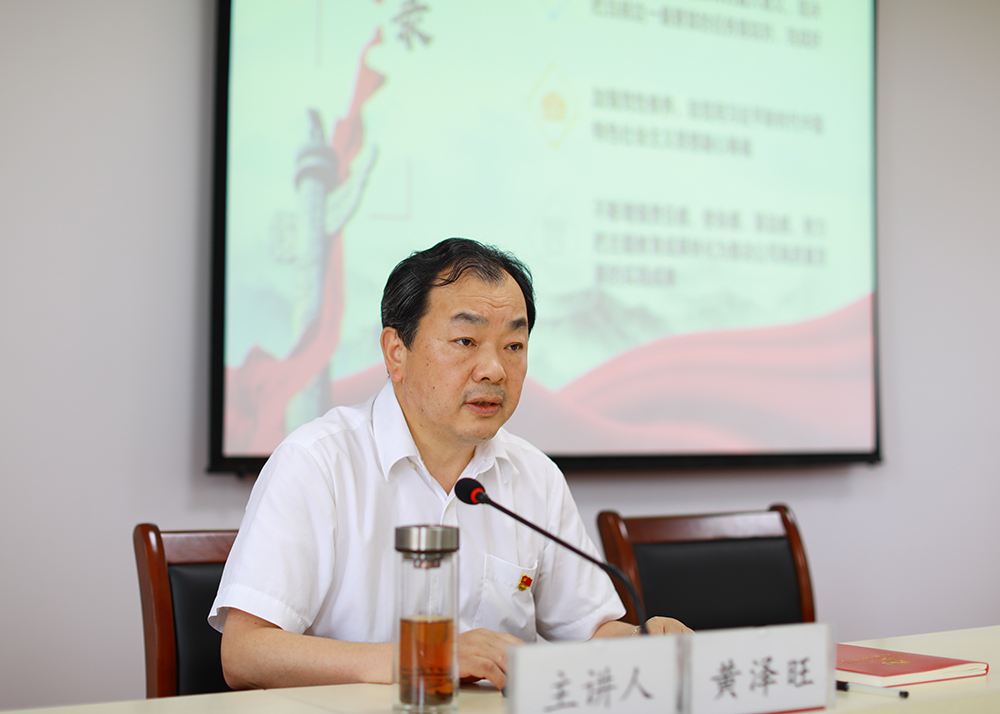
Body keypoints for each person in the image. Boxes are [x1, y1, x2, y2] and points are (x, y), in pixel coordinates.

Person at [210, 237, 689, 691]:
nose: (494, 369)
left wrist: (641, 641)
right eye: (465, 341)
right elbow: (246, 653)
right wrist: (426, 659)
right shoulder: (318, 463)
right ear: (396, 352)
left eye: (514, 346)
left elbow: (589, 632)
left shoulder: (534, 476)